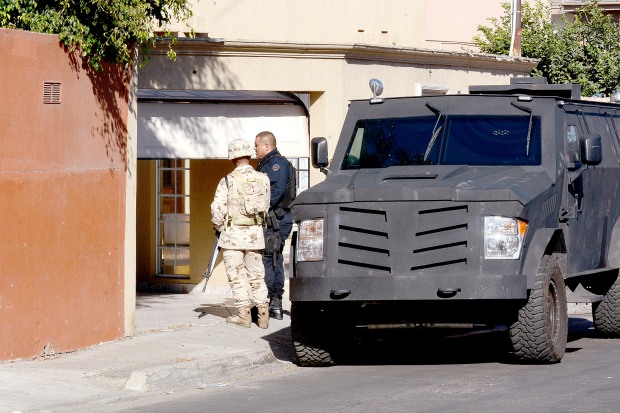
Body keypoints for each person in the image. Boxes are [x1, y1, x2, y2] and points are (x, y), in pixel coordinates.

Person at [211, 139, 271, 328]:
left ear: (232, 159)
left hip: (232, 236)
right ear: (248, 155)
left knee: (236, 276)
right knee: (257, 276)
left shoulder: (228, 180)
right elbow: (266, 206)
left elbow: (217, 209)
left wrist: (219, 227)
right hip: (255, 236)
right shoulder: (263, 178)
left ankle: (244, 315)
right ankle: (263, 315)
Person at [254, 131, 294, 320]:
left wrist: (257, 208)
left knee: (271, 258)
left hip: (277, 220)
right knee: (270, 258)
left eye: (257, 145)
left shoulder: (276, 165)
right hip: (272, 219)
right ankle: (271, 301)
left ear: (267, 146)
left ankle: (274, 300)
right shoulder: (266, 164)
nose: (255, 149)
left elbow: (275, 193)